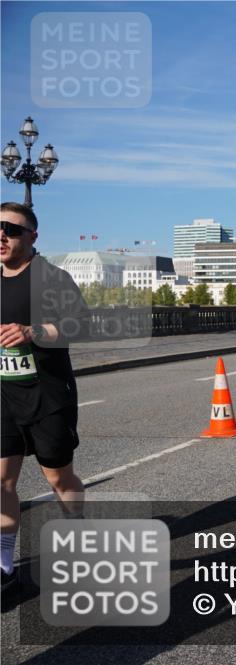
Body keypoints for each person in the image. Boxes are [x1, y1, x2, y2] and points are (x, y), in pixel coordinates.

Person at [1, 202, 89, 592]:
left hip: (48, 396)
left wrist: (33, 331)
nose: (1, 235)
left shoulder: (52, 277)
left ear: (33, 236)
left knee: (58, 476)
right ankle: (4, 564)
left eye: (11, 229)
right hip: (3, 394)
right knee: (2, 480)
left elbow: (80, 325)